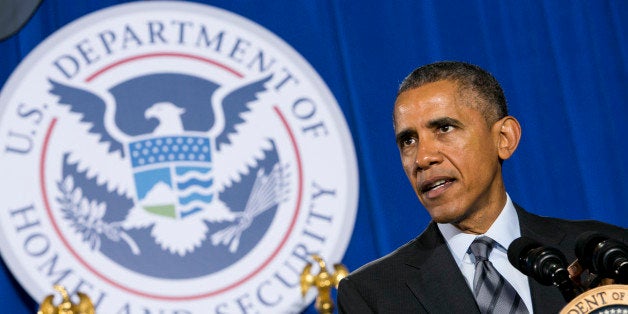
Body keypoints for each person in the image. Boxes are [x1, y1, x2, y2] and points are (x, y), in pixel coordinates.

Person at [336, 61, 627, 314]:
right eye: (408, 141)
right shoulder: (373, 293)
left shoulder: (607, 253)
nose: (423, 158)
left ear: (504, 138)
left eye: (444, 128)